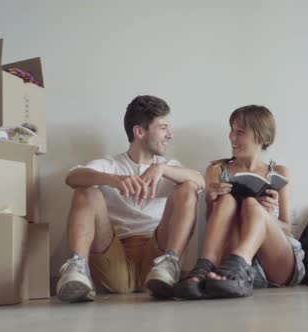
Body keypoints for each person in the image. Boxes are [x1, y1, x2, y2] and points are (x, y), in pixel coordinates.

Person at [56, 95, 205, 302]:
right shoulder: (111, 165)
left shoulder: (169, 166)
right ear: (139, 132)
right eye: (163, 128)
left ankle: (170, 262)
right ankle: (76, 267)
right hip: (115, 258)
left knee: (188, 187)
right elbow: (72, 178)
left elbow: (199, 180)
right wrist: (112, 180)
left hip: (157, 259)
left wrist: (161, 168)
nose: (170, 135)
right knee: (85, 190)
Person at [174, 105, 305, 299]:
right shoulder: (218, 170)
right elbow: (213, 225)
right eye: (231, 130)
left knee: (252, 206)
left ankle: (239, 263)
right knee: (227, 200)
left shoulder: (279, 172)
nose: (231, 137)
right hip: (226, 268)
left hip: (275, 264)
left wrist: (267, 216)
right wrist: (211, 201)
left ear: (260, 136)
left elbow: (287, 229)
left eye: (239, 132)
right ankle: (204, 267)